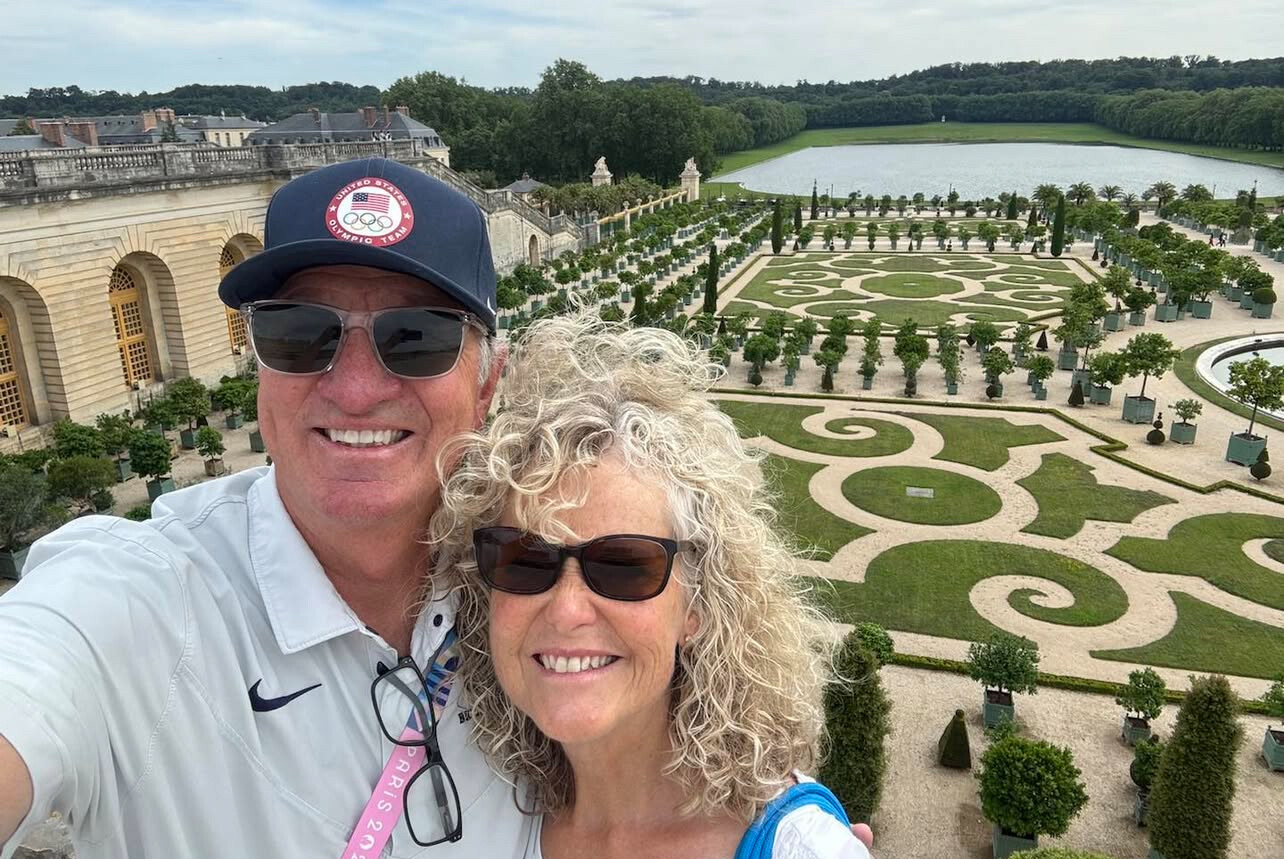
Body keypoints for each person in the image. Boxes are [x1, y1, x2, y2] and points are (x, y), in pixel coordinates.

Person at [0, 158, 527, 858]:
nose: (357, 390)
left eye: (417, 337)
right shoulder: (138, 604)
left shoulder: (544, 586)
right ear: (260, 365)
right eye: (300, 333)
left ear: (487, 386)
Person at [426, 314, 874, 859]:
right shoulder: (488, 816)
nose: (566, 610)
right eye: (524, 560)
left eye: (623, 566)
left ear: (698, 606)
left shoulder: (798, 849)